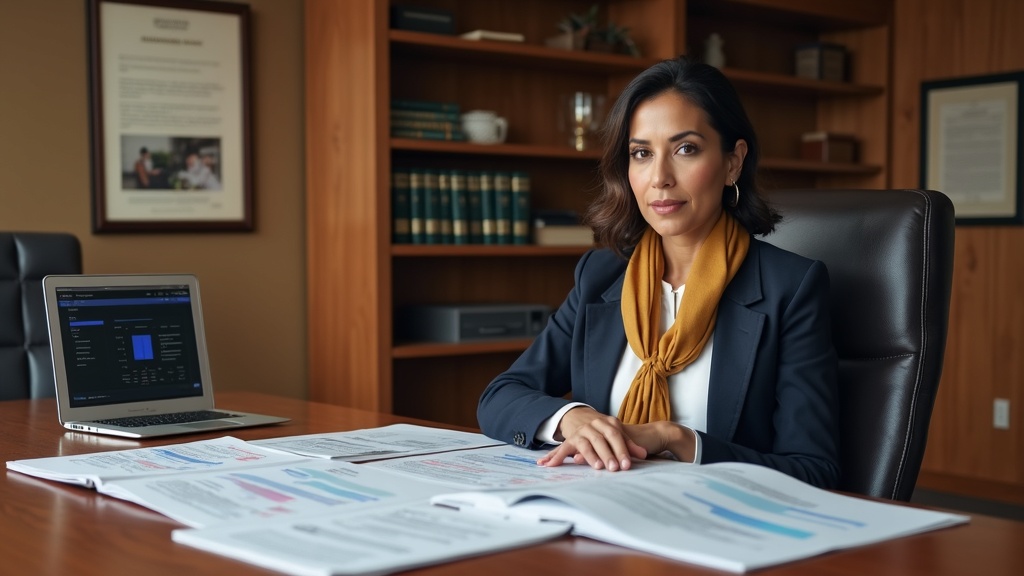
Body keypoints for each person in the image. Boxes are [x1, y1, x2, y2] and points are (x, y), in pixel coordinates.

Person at [477, 57, 840, 489]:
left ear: (732, 163)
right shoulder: (601, 276)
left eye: (686, 149)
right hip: (600, 508)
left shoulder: (790, 288)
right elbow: (500, 396)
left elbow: (815, 471)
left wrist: (676, 439)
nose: (660, 178)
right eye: (642, 154)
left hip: (717, 526)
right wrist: (572, 418)